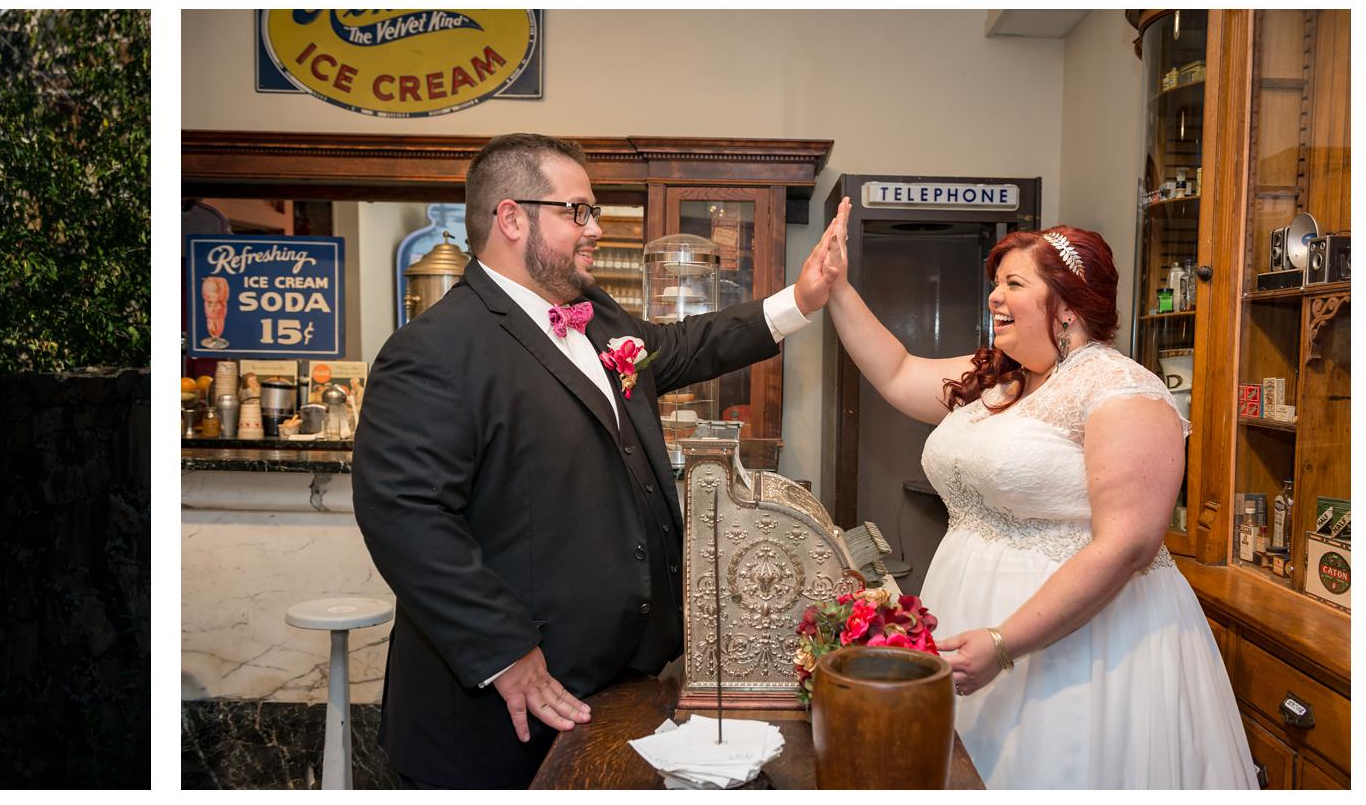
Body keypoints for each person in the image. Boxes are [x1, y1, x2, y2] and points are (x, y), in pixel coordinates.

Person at [351, 133, 847, 788]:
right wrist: (506, 654)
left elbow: (680, 345)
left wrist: (800, 300)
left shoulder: (597, 319)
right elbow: (405, 517)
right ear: (511, 217)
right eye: (576, 211)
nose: (595, 227)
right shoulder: (436, 348)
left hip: (616, 686)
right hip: (504, 714)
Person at [819, 202, 1254, 788]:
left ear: (1068, 305)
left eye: (1014, 284)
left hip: (1082, 643)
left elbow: (1127, 546)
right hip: (969, 604)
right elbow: (896, 372)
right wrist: (837, 287)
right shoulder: (1001, 379)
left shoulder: (1122, 389)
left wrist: (1004, 642)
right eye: (996, 285)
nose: (995, 297)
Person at [199, 275, 232, 350]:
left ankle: (216, 337)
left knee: (217, 321)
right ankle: (214, 337)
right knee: (211, 321)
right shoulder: (208, 302)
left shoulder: (221, 301)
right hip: (212, 312)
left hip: (218, 311)